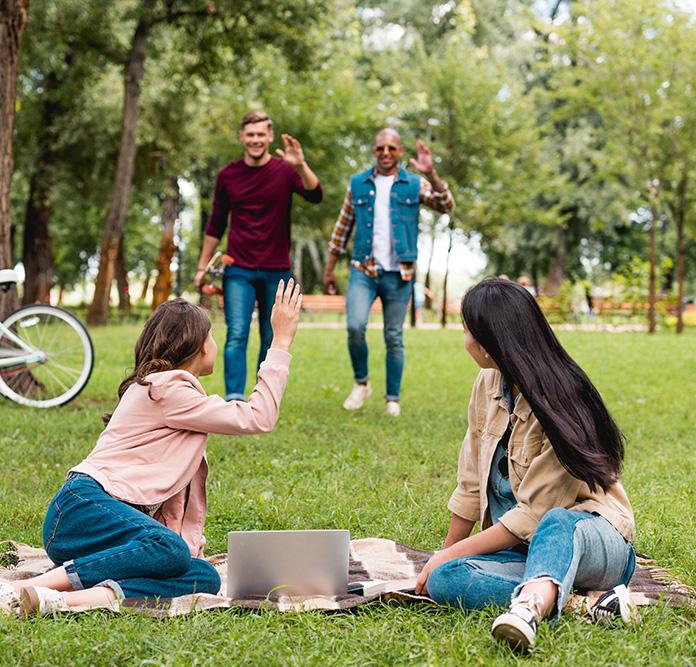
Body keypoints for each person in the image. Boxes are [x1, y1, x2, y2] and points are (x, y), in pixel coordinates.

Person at [0, 280, 304, 616]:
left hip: (97, 530)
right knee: (169, 549)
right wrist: (281, 340)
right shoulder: (168, 389)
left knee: (202, 575)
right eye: (212, 335)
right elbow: (258, 417)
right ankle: (14, 588)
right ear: (198, 345)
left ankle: (58, 601)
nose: (214, 343)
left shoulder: (168, 393)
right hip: (83, 509)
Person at [414, 277, 637, 652]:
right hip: (524, 551)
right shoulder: (486, 384)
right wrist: (440, 557)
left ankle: (528, 610)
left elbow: (535, 517)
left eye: (467, 331)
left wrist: (453, 552)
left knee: (555, 522)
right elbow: (470, 483)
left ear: (491, 343)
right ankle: (587, 604)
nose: (464, 340)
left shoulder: (562, 398)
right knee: (446, 579)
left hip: (594, 541)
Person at [323, 129, 455, 416]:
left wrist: (431, 174)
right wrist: (330, 269)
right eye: (380, 148)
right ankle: (361, 383)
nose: (385, 153)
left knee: (394, 336)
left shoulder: (414, 183)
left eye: (391, 148)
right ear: (374, 150)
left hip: (400, 273)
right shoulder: (358, 184)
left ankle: (392, 398)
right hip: (364, 269)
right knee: (355, 327)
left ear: (399, 151)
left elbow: (446, 206)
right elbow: (341, 229)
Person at [194, 111, 323, 401]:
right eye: (250, 134)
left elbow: (316, 195)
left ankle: (263, 398)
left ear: (269, 136)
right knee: (237, 333)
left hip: (276, 269)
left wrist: (301, 165)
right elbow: (215, 225)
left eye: (260, 134)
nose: (255, 139)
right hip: (238, 268)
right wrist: (202, 266)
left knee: (270, 336)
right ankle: (236, 399)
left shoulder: (285, 171)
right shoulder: (228, 175)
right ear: (242, 137)